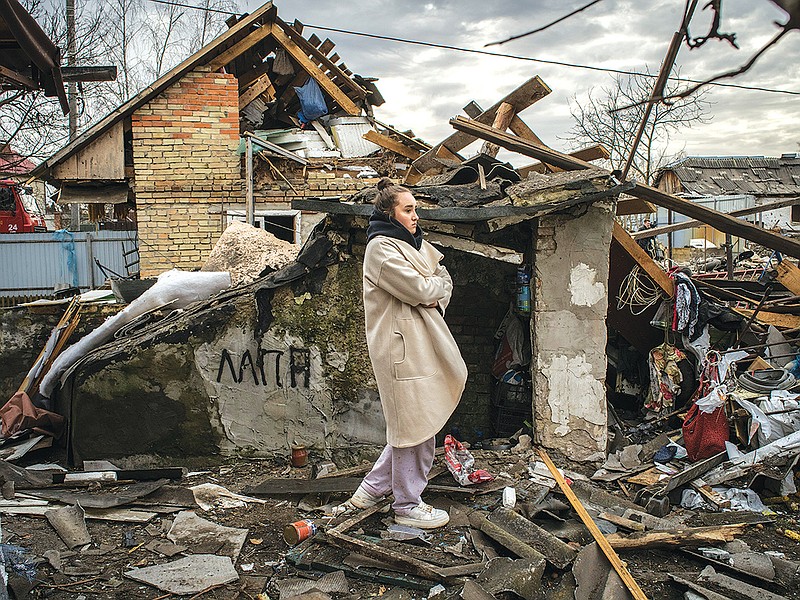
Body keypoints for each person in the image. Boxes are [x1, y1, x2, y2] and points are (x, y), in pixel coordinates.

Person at [341, 177, 468, 529]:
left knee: (413, 423)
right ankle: (407, 504)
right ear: (389, 213)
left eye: (415, 210)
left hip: (416, 346)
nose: (415, 217)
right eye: (408, 210)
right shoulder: (381, 248)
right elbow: (424, 289)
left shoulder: (410, 245)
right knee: (414, 424)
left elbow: (439, 281)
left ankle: (371, 490)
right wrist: (437, 285)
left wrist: (437, 285)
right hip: (400, 349)